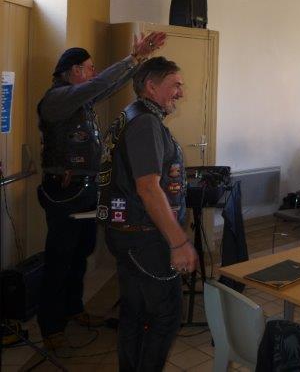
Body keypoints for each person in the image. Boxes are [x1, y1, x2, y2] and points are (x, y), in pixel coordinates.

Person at [35, 32, 165, 350]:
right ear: (73, 70)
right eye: (90, 67)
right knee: (59, 259)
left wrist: (138, 62)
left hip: (85, 190)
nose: (93, 73)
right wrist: (133, 57)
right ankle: (51, 327)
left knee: (80, 254)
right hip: (64, 192)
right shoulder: (57, 99)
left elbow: (107, 86)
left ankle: (73, 309)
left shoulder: (79, 98)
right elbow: (99, 84)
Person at [97, 57, 198, 371]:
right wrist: (179, 242)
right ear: (151, 86)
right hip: (145, 238)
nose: (181, 93)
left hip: (128, 235)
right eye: (175, 85)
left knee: (135, 312)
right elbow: (148, 188)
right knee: (166, 315)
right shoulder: (146, 123)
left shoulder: (131, 115)